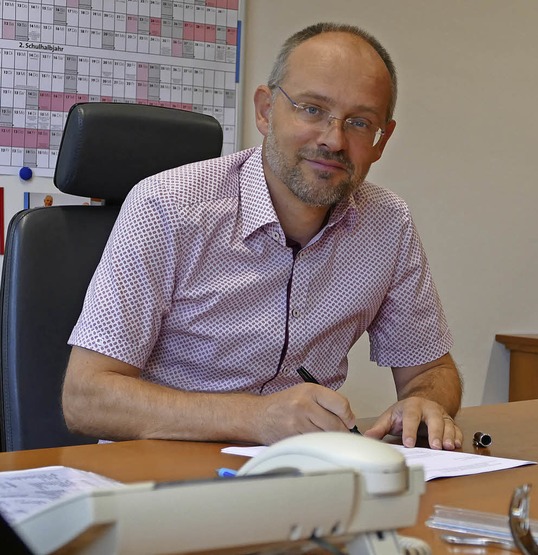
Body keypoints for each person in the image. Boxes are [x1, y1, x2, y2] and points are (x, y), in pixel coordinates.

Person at [62, 22, 463, 450]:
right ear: (265, 110)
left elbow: (431, 371)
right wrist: (257, 418)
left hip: (305, 478)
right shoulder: (168, 205)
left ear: (382, 141)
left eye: (360, 123)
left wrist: (425, 403)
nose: (334, 140)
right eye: (311, 109)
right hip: (163, 477)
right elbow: (86, 398)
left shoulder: (387, 223)